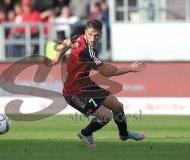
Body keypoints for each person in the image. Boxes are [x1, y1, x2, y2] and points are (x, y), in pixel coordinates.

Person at [50, 19, 147, 148]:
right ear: (85, 32)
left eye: (96, 35)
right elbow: (105, 71)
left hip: (87, 85)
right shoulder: (87, 51)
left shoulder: (77, 38)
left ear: (100, 34)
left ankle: (124, 134)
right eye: (90, 34)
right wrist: (129, 68)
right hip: (74, 93)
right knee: (105, 116)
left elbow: (65, 43)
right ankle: (85, 133)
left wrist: (56, 58)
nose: (92, 38)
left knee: (117, 106)